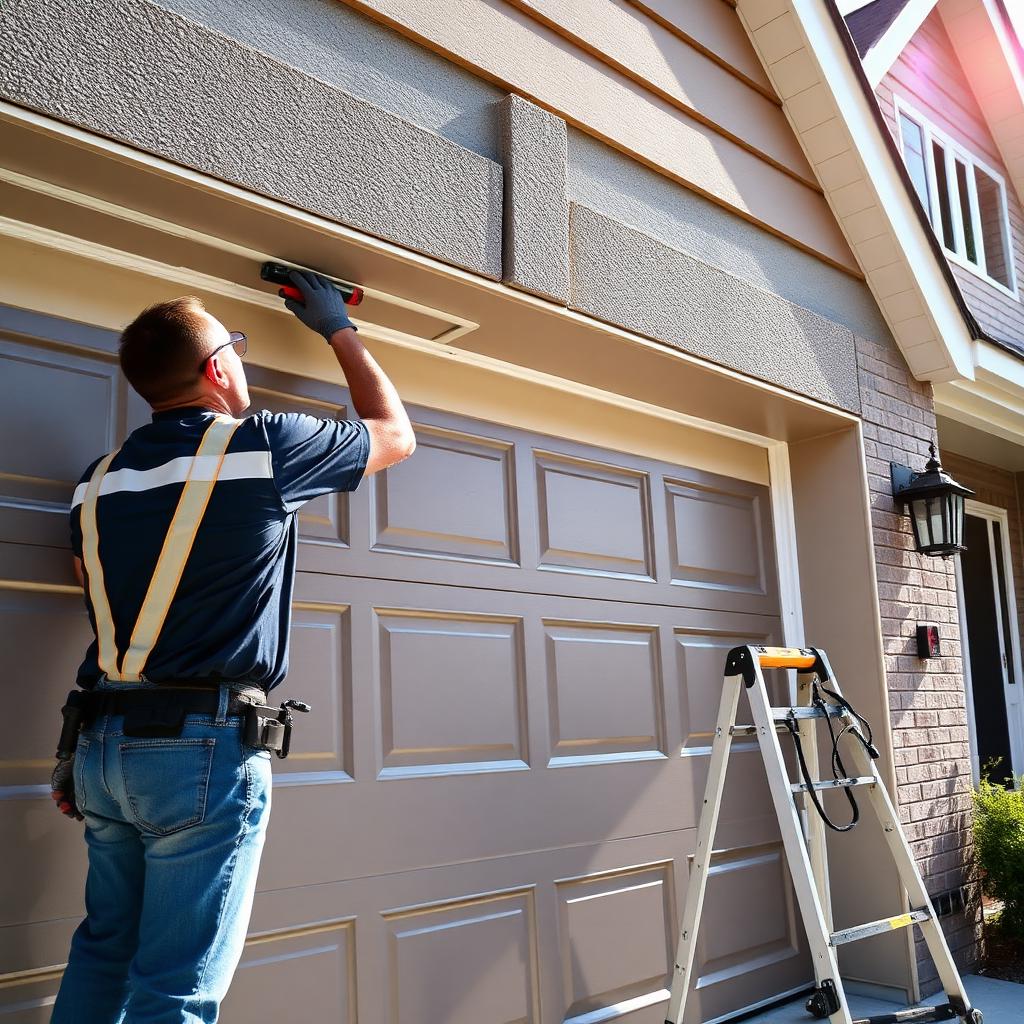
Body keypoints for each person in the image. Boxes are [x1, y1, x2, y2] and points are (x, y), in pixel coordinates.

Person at [49, 270, 414, 1023]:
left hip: (100, 749)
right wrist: (337, 329)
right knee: (175, 986)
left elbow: (98, 595)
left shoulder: (96, 482)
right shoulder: (264, 447)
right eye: (237, 347)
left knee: (104, 950)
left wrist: (74, 749)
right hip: (197, 755)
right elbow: (395, 437)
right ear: (218, 368)